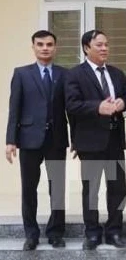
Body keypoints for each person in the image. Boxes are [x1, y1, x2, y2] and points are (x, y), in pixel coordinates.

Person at [65, 30, 126, 250]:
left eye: (106, 45)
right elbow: (71, 105)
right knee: (91, 189)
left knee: (118, 189)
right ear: (86, 48)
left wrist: (122, 102)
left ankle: (114, 231)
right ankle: (92, 232)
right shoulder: (75, 74)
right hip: (90, 142)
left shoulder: (116, 73)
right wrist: (97, 107)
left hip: (114, 139)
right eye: (99, 45)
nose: (104, 49)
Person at [5, 30, 69, 250]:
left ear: (55, 47)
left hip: (57, 139)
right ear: (33, 47)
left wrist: (76, 138)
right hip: (29, 139)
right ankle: (31, 234)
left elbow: (71, 110)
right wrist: (10, 140)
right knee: (29, 188)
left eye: (49, 44)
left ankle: (56, 232)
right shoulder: (22, 74)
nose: (45, 48)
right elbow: (14, 108)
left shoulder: (64, 74)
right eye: (40, 44)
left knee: (57, 188)